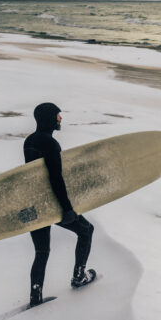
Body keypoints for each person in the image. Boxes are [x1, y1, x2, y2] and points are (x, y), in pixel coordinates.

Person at [23, 102, 96, 307]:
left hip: (32, 204)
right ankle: (79, 277)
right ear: (49, 119)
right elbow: (55, 178)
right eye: (57, 115)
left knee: (42, 251)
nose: (60, 119)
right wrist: (67, 209)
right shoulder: (50, 144)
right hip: (51, 204)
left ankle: (35, 297)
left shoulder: (29, 140)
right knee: (87, 230)